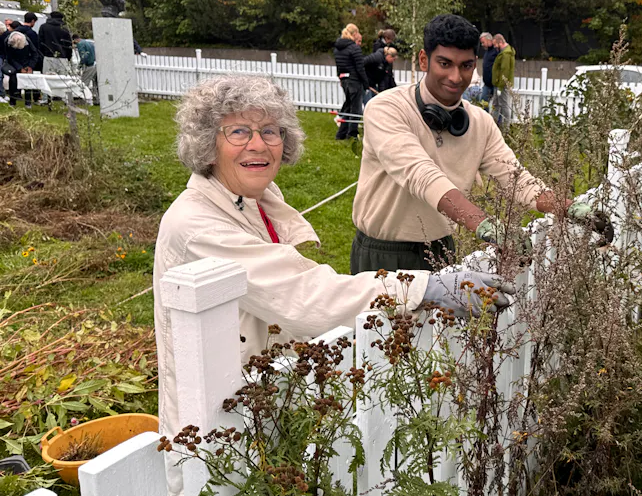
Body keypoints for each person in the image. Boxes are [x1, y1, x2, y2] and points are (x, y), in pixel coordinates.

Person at [154, 74, 511, 495]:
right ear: (206, 143)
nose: (258, 144)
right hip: (216, 432)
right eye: (238, 131)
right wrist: (425, 288)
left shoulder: (252, 198)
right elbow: (303, 294)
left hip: (261, 400)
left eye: (270, 130)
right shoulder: (198, 224)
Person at [349, 14, 610, 275]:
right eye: (444, 63)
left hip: (441, 250)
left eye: (466, 66)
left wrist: (569, 208)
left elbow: (516, 179)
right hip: (383, 254)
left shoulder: (480, 122)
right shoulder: (386, 108)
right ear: (423, 60)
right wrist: (484, 224)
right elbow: (421, 175)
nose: (455, 77)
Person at [334, 23, 369, 140]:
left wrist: (340, 77)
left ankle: (341, 134)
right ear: (354, 34)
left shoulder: (338, 48)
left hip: (344, 80)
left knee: (349, 107)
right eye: (358, 33)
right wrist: (366, 83)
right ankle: (352, 133)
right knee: (356, 109)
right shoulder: (354, 48)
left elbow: (339, 66)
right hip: (354, 81)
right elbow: (360, 68)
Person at [1, 32, 41, 106]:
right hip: (13, 63)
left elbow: (34, 54)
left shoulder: (27, 41)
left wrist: (30, 66)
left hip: (27, 62)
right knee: (13, 80)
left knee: (28, 81)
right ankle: (13, 101)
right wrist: (19, 68)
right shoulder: (7, 42)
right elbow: (9, 57)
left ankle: (28, 102)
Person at [491, 34, 515, 128]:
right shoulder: (504, 53)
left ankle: (506, 127)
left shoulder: (506, 54)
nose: (495, 47)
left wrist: (501, 87)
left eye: (495, 44)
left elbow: (505, 70)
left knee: (504, 105)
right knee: (496, 104)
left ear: (500, 42)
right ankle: (494, 125)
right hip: (499, 83)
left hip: (502, 84)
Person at [73, 34, 98, 103]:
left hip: (90, 65)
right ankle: (96, 100)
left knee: (83, 83)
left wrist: (79, 67)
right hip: (95, 64)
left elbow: (84, 56)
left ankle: (83, 100)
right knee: (95, 83)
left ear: (75, 40)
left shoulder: (80, 44)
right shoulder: (88, 42)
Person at [479, 32, 497, 107]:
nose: (482, 45)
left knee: (497, 104)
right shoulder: (487, 52)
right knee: (483, 102)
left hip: (494, 83)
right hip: (487, 83)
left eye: (483, 42)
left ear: (489, 40)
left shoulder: (496, 51)